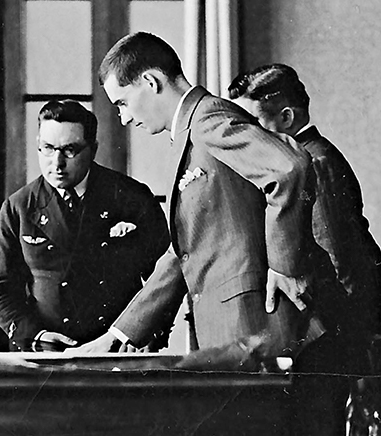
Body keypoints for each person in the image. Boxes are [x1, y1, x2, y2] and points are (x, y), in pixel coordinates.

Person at [74, 32, 332, 361]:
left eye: (122, 103)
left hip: (255, 323)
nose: (123, 118)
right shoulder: (190, 131)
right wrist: (119, 333)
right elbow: (184, 251)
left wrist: (285, 267)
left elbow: (289, 168)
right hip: (229, 328)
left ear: (151, 82)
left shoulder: (207, 120)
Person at [229, 63, 381, 434]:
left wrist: (358, 351)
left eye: (255, 124)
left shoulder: (314, 163)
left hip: (336, 330)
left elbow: (340, 260)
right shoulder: (305, 158)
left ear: (287, 117)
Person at [0, 100, 170, 351]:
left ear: (92, 150)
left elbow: (165, 275)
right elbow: (0, 288)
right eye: (47, 148)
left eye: (70, 150)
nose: (57, 162)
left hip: (118, 348)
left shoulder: (131, 197)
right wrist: (36, 336)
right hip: (47, 351)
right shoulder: (19, 207)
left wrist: (145, 333)